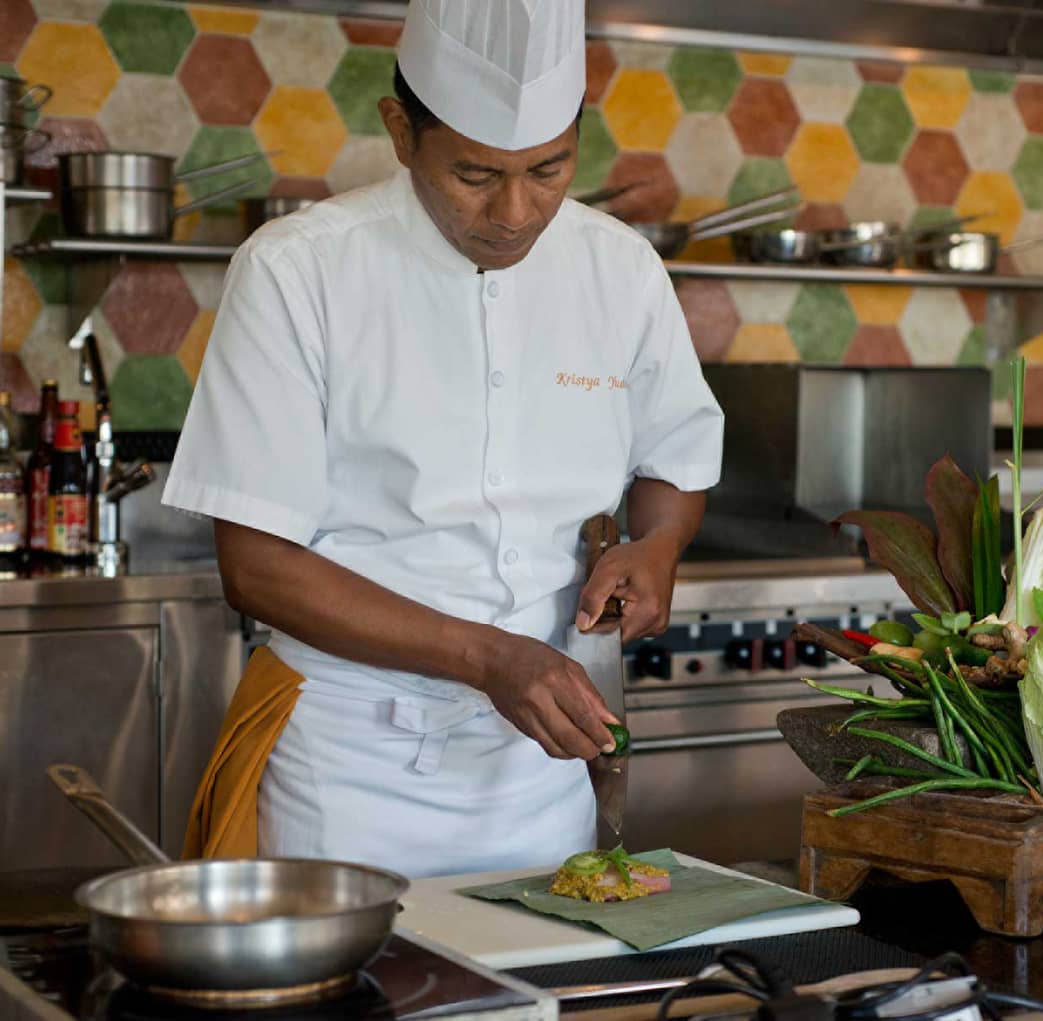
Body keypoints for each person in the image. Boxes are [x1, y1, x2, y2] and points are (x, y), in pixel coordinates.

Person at [164, 0, 724, 877]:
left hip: (540, 768)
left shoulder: (621, 269)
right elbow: (257, 565)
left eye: (549, 169)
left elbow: (674, 457)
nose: (514, 210)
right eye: (473, 173)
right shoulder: (297, 270)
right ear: (399, 130)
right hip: (348, 771)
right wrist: (484, 655)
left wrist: (659, 546)